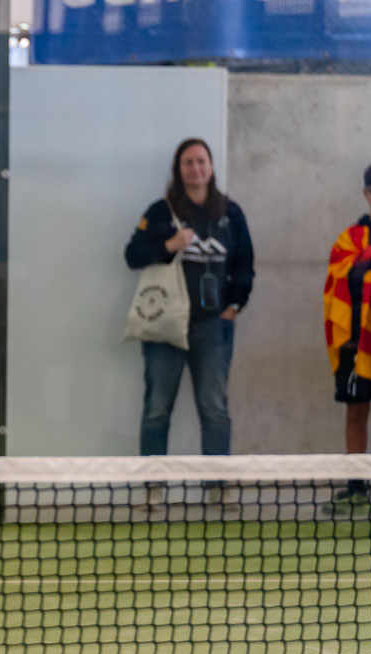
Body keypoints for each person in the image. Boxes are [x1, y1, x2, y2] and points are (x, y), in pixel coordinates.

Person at [124, 138, 254, 501]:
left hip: (213, 327)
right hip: (165, 326)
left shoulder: (231, 213)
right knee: (156, 410)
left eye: (201, 161)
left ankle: (217, 488)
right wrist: (170, 245)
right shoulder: (161, 212)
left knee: (214, 409)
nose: (196, 169)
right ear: (178, 169)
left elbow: (245, 266)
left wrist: (233, 307)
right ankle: (153, 489)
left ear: (211, 167)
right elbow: (132, 255)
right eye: (188, 162)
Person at [322, 163, 371, 513]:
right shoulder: (351, 238)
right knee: (356, 411)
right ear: (367, 194)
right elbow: (342, 281)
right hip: (357, 342)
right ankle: (357, 489)